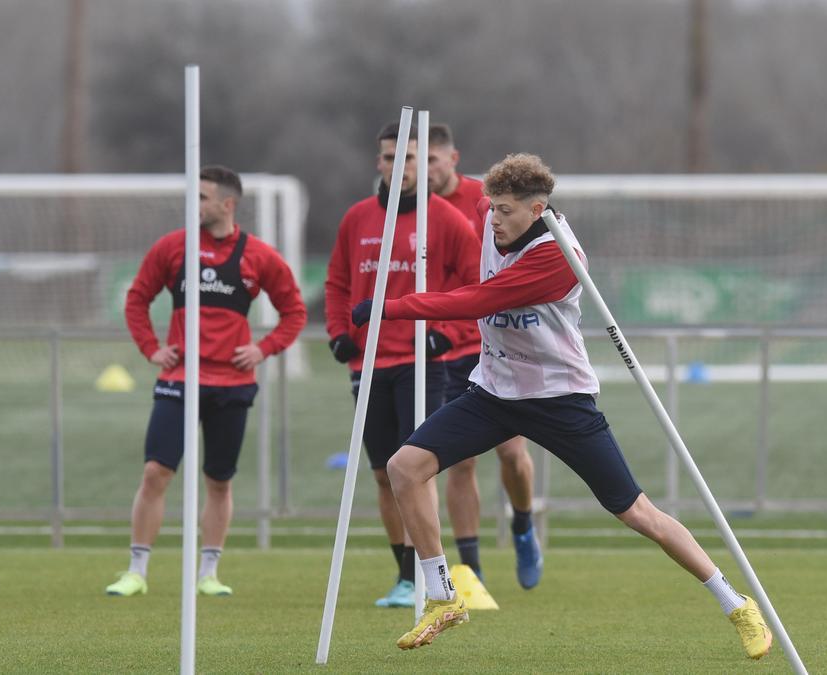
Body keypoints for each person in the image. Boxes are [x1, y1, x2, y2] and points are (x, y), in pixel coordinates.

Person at [351, 153, 773, 659]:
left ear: (537, 210)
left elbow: (476, 301)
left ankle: (735, 602)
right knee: (404, 468)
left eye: (506, 210)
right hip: (494, 392)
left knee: (637, 513)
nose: (495, 219)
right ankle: (443, 596)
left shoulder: (559, 255)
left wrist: (389, 308)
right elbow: (458, 194)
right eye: (492, 208)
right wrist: (425, 172)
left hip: (559, 398)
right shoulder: (491, 220)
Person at [106, 165, 307, 597]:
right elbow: (137, 299)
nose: (192, 204)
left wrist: (263, 348)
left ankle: (208, 574)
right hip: (179, 379)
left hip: (232, 386)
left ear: (227, 204)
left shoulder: (259, 256)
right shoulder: (173, 248)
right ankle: (136, 570)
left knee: (219, 480)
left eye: (200, 197)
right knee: (156, 472)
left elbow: (294, 312)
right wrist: (151, 348)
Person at [325, 122, 481, 608]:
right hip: (369, 364)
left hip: (422, 363)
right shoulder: (356, 219)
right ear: (379, 163)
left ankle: (431, 571)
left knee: (416, 470)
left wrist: (446, 335)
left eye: (409, 158)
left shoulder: (447, 219)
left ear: (425, 162)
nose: (399, 167)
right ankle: (404, 574)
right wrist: (338, 335)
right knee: (379, 473)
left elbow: (477, 287)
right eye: (390, 158)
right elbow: (336, 283)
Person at [428, 123, 542, 588]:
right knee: (459, 459)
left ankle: (522, 523)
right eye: (401, 160)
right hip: (447, 349)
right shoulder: (410, 211)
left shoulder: (487, 201)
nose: (416, 169)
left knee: (512, 454)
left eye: (427, 159)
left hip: (497, 346)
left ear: (451, 159)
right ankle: (470, 569)